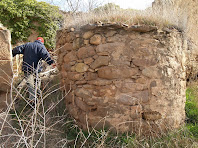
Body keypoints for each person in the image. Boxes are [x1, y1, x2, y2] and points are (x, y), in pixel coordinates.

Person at [12, 37, 55, 103]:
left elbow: (17, 49)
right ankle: (36, 97)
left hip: (27, 68)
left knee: (30, 83)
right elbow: (46, 56)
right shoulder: (41, 47)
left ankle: (32, 98)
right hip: (36, 69)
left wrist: (12, 54)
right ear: (42, 42)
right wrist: (51, 63)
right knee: (37, 81)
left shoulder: (27, 45)